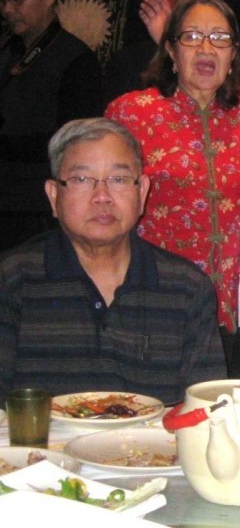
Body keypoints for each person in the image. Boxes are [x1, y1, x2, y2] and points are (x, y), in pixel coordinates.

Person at [0, 118, 226, 405]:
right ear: (53, 195)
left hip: (153, 449)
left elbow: (208, 412)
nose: (102, 197)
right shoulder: (13, 279)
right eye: (82, 180)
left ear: (142, 192)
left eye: (118, 179)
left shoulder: (186, 288)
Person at [106, 0, 240, 336]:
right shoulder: (132, 113)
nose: (206, 49)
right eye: (191, 37)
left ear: (234, 54)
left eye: (220, 38)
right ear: (171, 51)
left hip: (235, 310)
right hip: (155, 302)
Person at [0, 0, 103, 252]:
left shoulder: (78, 60)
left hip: (38, 214)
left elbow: (75, 145)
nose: (7, 9)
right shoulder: (7, 51)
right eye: (2, 0)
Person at [104, 0, 179, 101]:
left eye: (164, 10)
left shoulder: (186, 54)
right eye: (152, 9)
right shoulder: (125, 60)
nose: (158, 17)